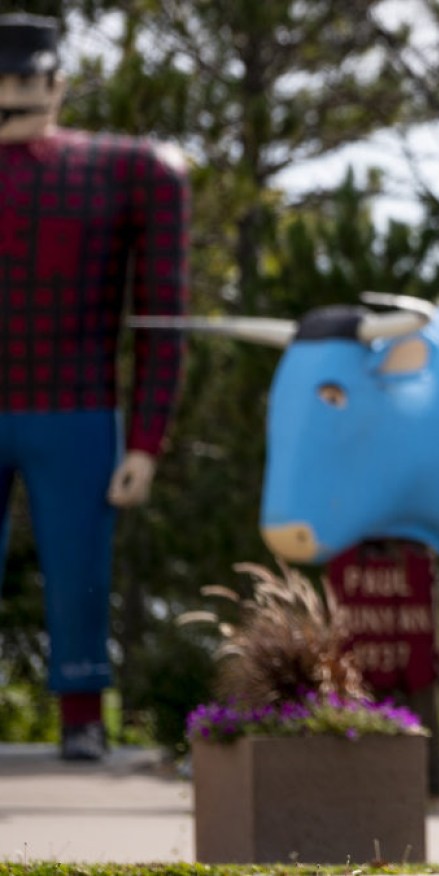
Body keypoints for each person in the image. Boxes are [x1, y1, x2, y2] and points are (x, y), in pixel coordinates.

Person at [0, 12, 189, 760]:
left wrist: (147, 438)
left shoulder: (129, 170)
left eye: (25, 78)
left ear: (56, 83)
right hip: (58, 400)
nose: (10, 94)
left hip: (75, 403)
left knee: (81, 560)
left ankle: (82, 709)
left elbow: (161, 319)